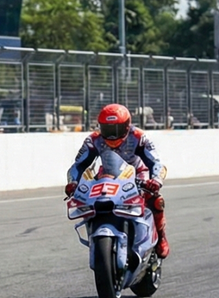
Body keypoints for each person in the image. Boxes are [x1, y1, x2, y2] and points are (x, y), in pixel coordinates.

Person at [67, 103, 169, 258]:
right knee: (89, 201)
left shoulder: (139, 137)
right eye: (108, 130)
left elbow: (156, 162)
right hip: (107, 176)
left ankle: (161, 238)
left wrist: (155, 180)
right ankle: (95, 232)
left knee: (155, 201)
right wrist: (73, 182)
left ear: (127, 126)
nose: (112, 136)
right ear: (100, 127)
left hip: (136, 175)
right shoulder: (93, 140)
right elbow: (78, 165)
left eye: (117, 130)